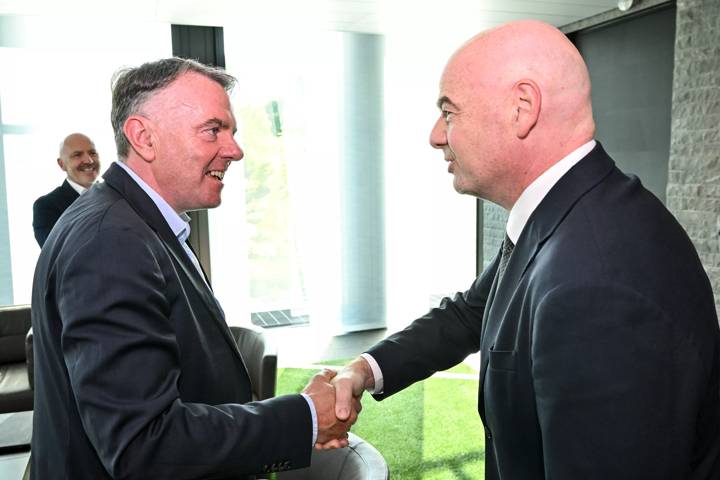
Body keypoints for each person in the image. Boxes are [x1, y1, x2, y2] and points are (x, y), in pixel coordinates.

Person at [330, 20, 720, 479]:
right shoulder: (565, 213)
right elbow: (471, 312)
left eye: (449, 111)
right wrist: (364, 368)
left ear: (522, 108)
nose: (436, 135)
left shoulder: (597, 284)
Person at [30, 58, 356, 480]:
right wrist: (305, 416)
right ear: (144, 137)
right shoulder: (111, 243)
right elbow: (144, 447)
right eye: (213, 130)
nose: (235, 150)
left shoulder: (130, 221)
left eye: (233, 132)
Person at [32, 132, 100, 247]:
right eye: (77, 155)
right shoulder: (46, 206)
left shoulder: (117, 196)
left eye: (92, 153)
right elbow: (57, 253)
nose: (89, 160)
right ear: (61, 164)